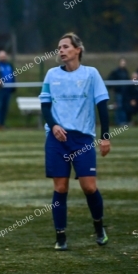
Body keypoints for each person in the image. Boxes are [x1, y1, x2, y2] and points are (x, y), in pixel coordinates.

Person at [39, 32, 111, 251]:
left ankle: (99, 227)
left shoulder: (91, 74)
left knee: (89, 187)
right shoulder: (51, 74)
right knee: (60, 187)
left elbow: (102, 105)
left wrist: (105, 137)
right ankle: (60, 237)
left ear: (78, 49)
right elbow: (45, 106)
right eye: (59, 47)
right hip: (57, 139)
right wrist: (54, 126)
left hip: (82, 140)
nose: (60, 50)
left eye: (65, 47)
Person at [0, 50, 15, 128]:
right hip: (0, 90)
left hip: (8, 90)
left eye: (4, 56)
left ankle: (2, 124)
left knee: (5, 108)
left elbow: (13, 76)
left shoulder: (9, 65)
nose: (3, 58)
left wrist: (13, 86)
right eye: (1, 56)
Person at [107, 58, 129, 125]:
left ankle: (123, 121)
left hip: (124, 92)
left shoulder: (125, 71)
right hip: (118, 92)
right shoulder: (116, 71)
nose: (123, 64)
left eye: (124, 62)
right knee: (118, 106)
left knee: (123, 106)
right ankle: (119, 121)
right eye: (122, 62)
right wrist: (113, 88)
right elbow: (110, 79)